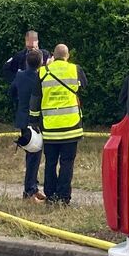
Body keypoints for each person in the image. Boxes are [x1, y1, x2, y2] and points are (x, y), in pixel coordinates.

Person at [32, 43, 86, 205]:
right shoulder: (75, 69)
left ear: (53, 57)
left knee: (50, 162)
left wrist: (33, 120)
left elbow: (35, 99)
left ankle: (50, 195)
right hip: (71, 127)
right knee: (67, 163)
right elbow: (83, 86)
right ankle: (64, 196)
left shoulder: (42, 72)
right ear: (67, 56)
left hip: (50, 128)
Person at [9, 49, 45, 202]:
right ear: (41, 62)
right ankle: (29, 191)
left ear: (26, 62)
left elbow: (11, 93)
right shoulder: (41, 77)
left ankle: (33, 187)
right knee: (34, 156)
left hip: (23, 119)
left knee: (33, 156)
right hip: (36, 120)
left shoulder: (19, 75)